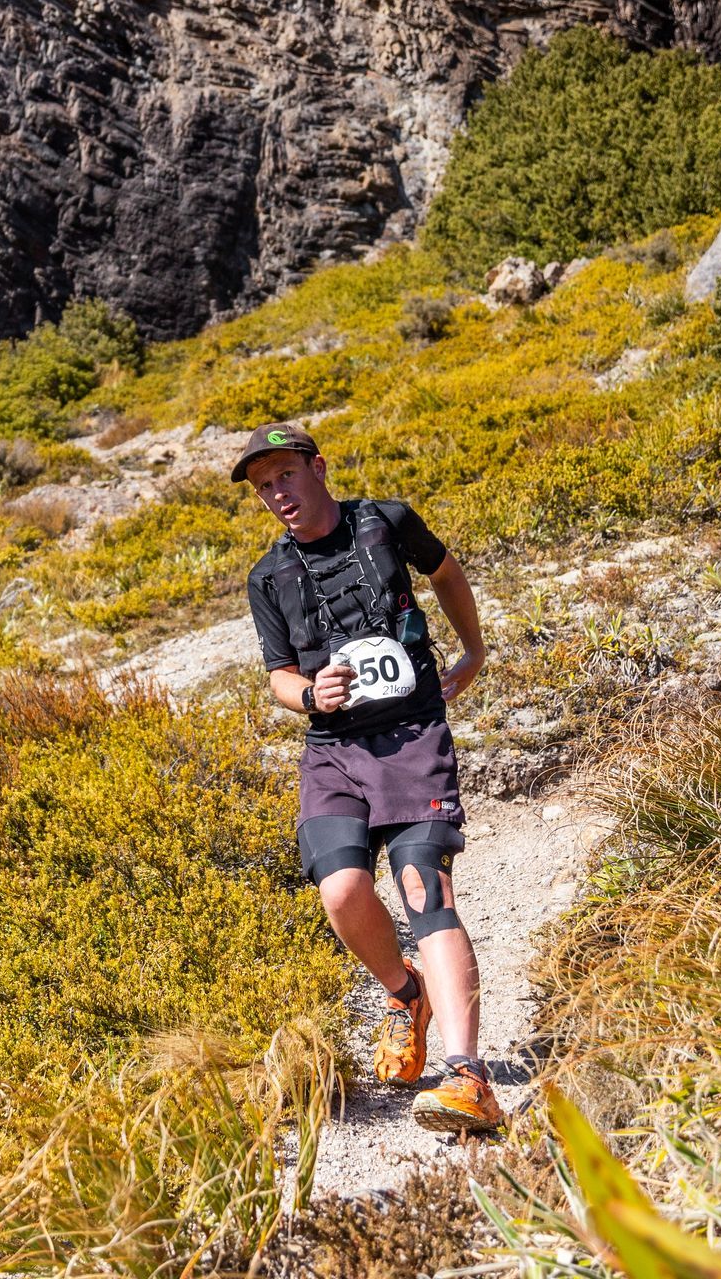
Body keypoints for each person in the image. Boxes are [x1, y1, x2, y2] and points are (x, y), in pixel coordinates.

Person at [234, 422, 504, 1134]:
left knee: (424, 888)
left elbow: (446, 574)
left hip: (413, 735)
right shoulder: (269, 577)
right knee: (343, 891)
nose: (277, 494)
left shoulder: (386, 522)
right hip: (332, 751)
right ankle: (403, 992)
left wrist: (472, 652)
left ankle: (468, 1077)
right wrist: (307, 695)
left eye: (286, 475)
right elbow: (277, 678)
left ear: (318, 466)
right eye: (264, 487)